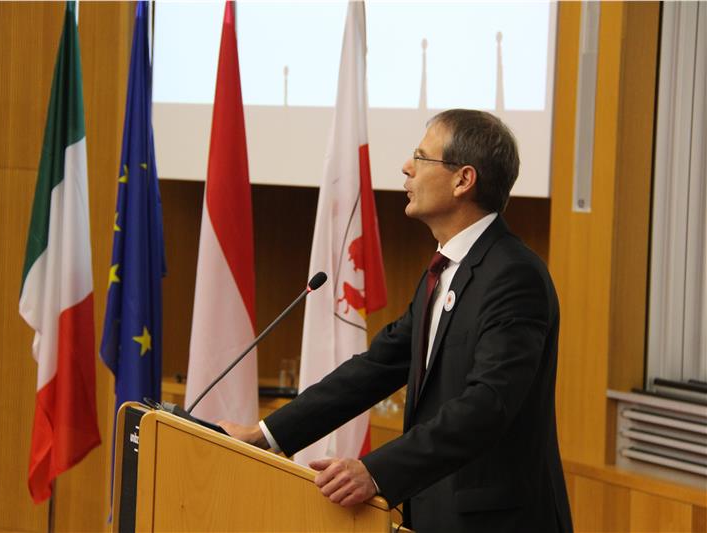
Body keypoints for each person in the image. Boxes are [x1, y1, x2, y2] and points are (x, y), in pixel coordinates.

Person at [220, 109, 573, 533]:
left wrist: (376, 472)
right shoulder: (446, 269)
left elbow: (488, 405)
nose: (406, 167)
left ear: (463, 180)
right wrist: (266, 434)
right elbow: (377, 367)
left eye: (420, 157)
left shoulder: (513, 275)